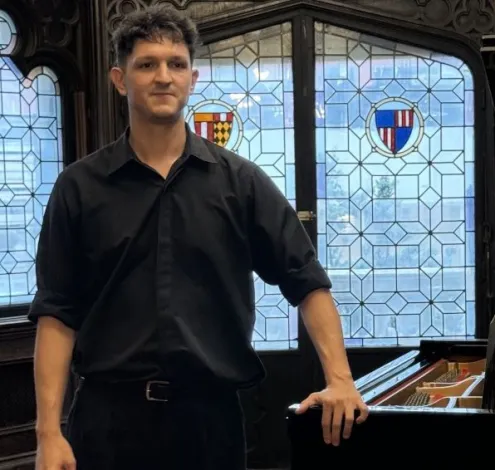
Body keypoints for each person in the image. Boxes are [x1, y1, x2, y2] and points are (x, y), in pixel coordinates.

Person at [29, 4, 367, 470]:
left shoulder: (241, 183)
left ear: (192, 79)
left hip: (211, 423)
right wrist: (48, 433)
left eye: (176, 64)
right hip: (108, 423)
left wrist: (341, 380)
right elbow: (56, 312)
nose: (163, 77)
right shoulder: (79, 188)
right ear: (120, 80)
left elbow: (307, 280)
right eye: (146, 64)